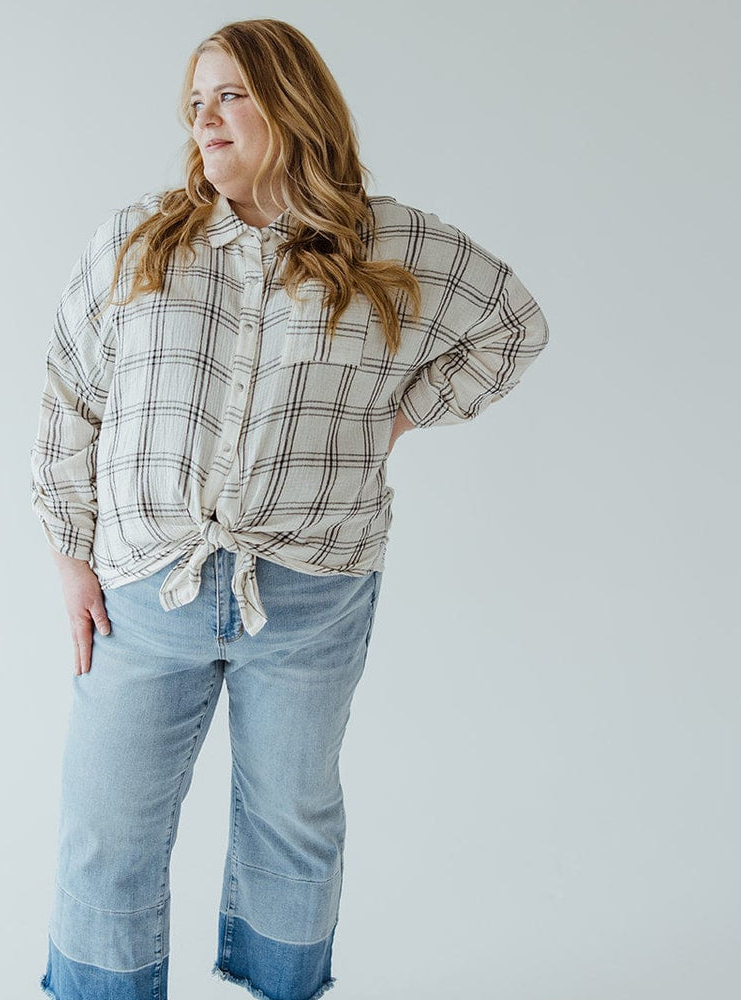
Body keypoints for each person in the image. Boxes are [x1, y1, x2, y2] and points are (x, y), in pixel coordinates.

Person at [30, 17, 549, 1000]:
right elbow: (71, 394)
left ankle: (279, 987)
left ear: (290, 99)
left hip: (313, 592)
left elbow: (513, 326)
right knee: (107, 827)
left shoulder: (390, 243)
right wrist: (68, 553)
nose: (205, 118)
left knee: (292, 818)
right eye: (195, 102)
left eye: (228, 94)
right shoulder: (139, 239)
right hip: (145, 592)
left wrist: (399, 413)